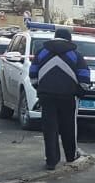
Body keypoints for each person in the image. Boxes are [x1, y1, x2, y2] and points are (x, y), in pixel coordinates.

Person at [30, 27, 89, 170]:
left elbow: (32, 74)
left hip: (46, 96)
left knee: (49, 128)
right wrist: (79, 92)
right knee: (69, 126)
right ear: (69, 39)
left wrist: (40, 89)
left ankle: (51, 160)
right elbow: (84, 77)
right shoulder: (75, 55)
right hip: (68, 96)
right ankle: (71, 155)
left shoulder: (42, 52)